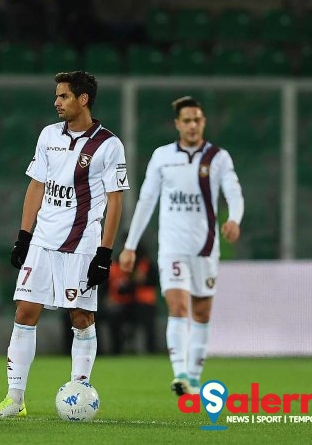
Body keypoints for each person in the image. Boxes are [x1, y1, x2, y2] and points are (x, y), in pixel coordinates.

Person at [0, 71, 129, 417]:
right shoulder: (48, 135)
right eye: (57, 96)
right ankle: (15, 398)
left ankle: (79, 390)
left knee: (82, 316)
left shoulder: (109, 145)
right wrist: (24, 236)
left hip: (82, 244)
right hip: (42, 242)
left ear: (83, 99)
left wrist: (105, 252)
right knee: (25, 312)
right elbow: (37, 185)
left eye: (63, 96)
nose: (56, 102)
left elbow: (115, 201)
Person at [119, 96, 244, 397]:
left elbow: (234, 193)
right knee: (177, 305)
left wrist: (235, 219)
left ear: (203, 122)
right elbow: (146, 201)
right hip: (172, 246)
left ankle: (195, 378)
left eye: (197, 119)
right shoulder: (162, 156)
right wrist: (130, 246)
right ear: (177, 124)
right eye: (186, 120)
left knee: (201, 312)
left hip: (205, 247)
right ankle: (180, 375)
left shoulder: (218, 157)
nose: (192, 125)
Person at [105, 245, 157, 354]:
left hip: (143, 303)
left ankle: (150, 350)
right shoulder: (116, 265)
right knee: (113, 315)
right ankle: (116, 350)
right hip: (124, 303)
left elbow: (149, 280)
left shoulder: (144, 263)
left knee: (146, 321)